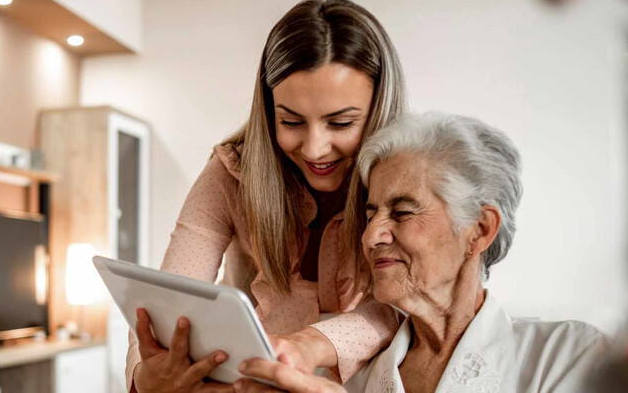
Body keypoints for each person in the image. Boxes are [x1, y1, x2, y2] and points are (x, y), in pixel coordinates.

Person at [127, 0, 408, 392]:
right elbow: (169, 299)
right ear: (268, 109)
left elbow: (402, 302)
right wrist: (144, 377)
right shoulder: (232, 172)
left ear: (380, 108)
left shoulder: (408, 175)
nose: (314, 148)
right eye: (290, 121)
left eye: (341, 122)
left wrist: (312, 344)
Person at [233, 112, 607, 392]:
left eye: (402, 212)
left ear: (478, 230)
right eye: (370, 214)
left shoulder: (567, 356)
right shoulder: (353, 373)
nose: (371, 236)